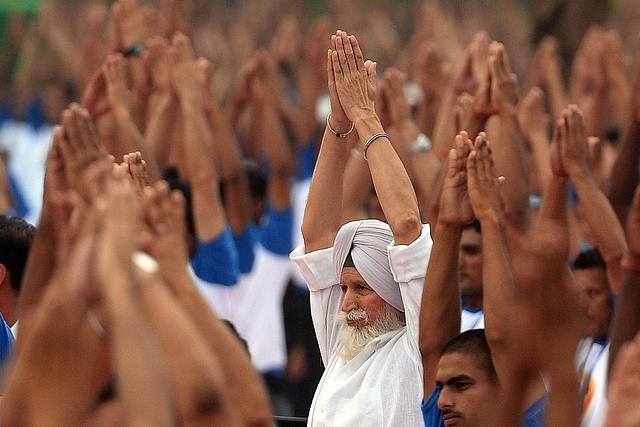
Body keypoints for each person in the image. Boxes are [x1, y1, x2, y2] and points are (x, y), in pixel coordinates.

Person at [290, 30, 430, 426]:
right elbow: (316, 235)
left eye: (362, 288)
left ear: (392, 289)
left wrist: (367, 119)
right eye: (346, 287)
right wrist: (338, 122)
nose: (346, 303)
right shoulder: (343, 348)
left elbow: (405, 224)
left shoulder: (417, 349)